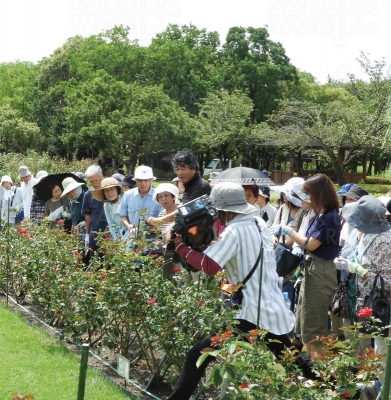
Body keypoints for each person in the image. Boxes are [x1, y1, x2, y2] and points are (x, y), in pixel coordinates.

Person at [167, 183, 294, 399]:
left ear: (226, 210)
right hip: (272, 306)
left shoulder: (235, 230)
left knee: (197, 355)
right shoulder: (258, 222)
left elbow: (210, 266)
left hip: (250, 312)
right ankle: (340, 389)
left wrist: (181, 248)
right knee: (293, 360)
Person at [270, 174, 341, 354]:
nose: (304, 199)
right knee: (305, 320)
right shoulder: (320, 214)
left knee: (314, 325)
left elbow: (310, 244)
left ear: (318, 194)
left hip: (321, 270)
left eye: (308, 194)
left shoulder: (330, 217)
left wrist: (289, 232)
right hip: (311, 267)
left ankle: (321, 374)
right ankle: (312, 366)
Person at [335, 196, 391, 389]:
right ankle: (376, 386)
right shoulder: (369, 236)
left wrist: (362, 272)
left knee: (382, 353)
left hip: (384, 307)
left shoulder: (385, 242)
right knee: (373, 349)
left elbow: (389, 280)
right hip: (369, 301)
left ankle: (384, 391)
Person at [119, 166, 163, 235]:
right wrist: (128, 226)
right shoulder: (128, 195)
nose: (143, 183)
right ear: (135, 180)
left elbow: (162, 221)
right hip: (131, 236)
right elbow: (123, 215)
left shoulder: (159, 196)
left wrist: (146, 232)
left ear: (151, 180)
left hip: (151, 240)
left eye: (146, 180)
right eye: (140, 180)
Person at [81, 165, 108, 251]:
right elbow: (87, 215)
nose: (95, 183)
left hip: (109, 232)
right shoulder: (88, 194)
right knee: (95, 259)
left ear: (102, 177)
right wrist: (87, 235)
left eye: (96, 180)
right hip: (95, 233)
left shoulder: (110, 191)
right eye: (91, 181)